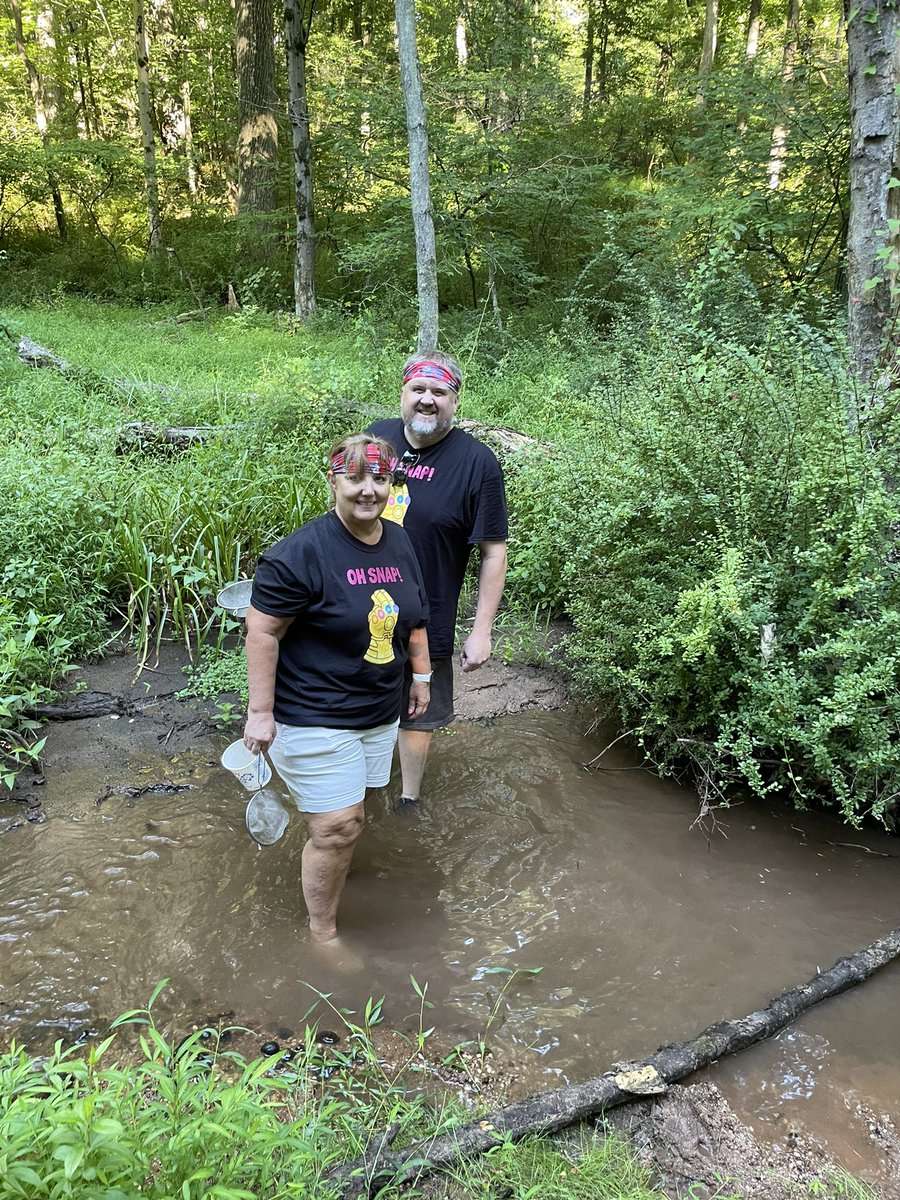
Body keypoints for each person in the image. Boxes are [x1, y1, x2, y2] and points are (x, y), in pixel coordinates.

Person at [242, 433, 431, 946]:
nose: (369, 490)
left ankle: (334, 869)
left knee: (357, 810)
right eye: (355, 478)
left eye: (380, 478)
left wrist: (420, 675)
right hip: (312, 712)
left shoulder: (397, 539)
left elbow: (413, 613)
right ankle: (322, 934)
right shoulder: (298, 555)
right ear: (333, 480)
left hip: (377, 708)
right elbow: (261, 630)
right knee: (339, 827)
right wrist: (261, 712)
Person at [368, 350, 508, 805]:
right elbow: (344, 508)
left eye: (439, 392)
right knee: (359, 698)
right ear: (403, 392)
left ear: (455, 399)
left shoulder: (477, 463)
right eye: (419, 389)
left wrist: (481, 630)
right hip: (361, 603)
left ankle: (407, 800)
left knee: (418, 711)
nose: (427, 400)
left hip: (430, 616)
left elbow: (493, 552)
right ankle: (362, 790)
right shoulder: (378, 438)